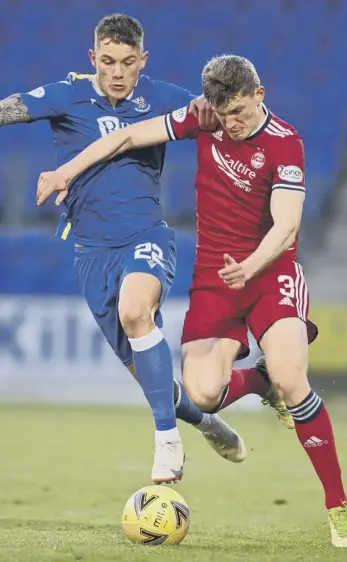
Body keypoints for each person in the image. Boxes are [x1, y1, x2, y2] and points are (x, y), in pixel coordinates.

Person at [37, 54, 347, 548]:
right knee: (204, 394)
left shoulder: (284, 142)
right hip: (215, 278)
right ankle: (258, 381)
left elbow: (287, 225)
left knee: (295, 376)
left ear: (259, 95)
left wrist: (251, 267)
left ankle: (338, 510)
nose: (231, 123)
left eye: (239, 112)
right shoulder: (202, 118)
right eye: (222, 113)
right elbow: (125, 136)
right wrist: (67, 169)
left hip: (270, 273)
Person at [0, 14, 256, 485]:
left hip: (146, 236)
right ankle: (202, 422)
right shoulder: (65, 94)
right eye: (109, 62)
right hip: (91, 253)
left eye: (129, 62)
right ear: (93, 58)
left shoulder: (163, 98)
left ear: (144, 60)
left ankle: (166, 445)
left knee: (136, 310)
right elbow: (7, 110)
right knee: (153, 380)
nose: (118, 72)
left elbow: (229, 115)